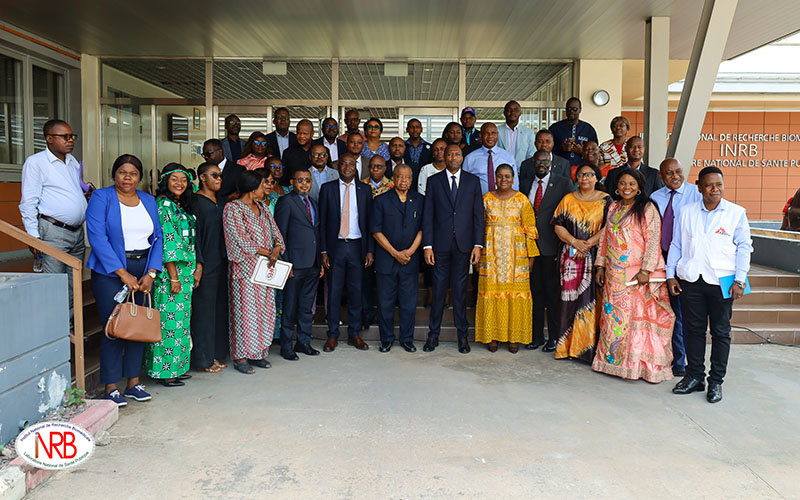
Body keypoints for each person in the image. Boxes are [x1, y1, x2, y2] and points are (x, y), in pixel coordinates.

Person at [669, 166, 753, 404]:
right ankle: (695, 377)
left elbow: (745, 247)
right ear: (699, 187)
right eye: (709, 185)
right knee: (693, 330)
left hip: (723, 282)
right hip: (691, 279)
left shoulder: (736, 213)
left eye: (719, 185)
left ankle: (716, 381)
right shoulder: (686, 211)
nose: (715, 190)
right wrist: (670, 275)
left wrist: (740, 279)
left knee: (720, 332)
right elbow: (676, 245)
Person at [85, 154, 162, 406]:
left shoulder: (149, 200)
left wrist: (151, 273)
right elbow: (97, 237)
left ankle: (133, 383)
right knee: (114, 327)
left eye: (133, 173)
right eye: (122, 172)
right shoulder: (101, 198)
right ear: (114, 174)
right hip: (111, 271)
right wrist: (123, 273)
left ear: (140, 177)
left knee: (138, 327)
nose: (127, 177)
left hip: (143, 269)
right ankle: (111, 387)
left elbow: (158, 238)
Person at [593, 168, 675, 382]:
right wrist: (600, 266)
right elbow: (605, 238)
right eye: (622, 184)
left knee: (635, 320)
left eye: (631, 184)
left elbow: (653, 239)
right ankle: (612, 363)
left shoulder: (647, 208)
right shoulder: (613, 207)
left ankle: (636, 366)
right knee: (613, 318)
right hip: (613, 276)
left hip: (636, 276)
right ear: (616, 187)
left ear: (639, 187)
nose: (626, 187)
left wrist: (646, 270)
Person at [19, 119, 87, 319]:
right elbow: (28, 202)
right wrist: (33, 237)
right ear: (49, 139)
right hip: (53, 231)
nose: (70, 140)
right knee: (55, 284)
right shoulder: (36, 163)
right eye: (64, 136)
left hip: (76, 232)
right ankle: (55, 331)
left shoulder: (72, 161)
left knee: (73, 284)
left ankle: (70, 328)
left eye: (72, 136)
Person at [422, 144, 484, 354]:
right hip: (439, 245)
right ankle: (433, 336)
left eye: (457, 154)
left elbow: (478, 215)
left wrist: (478, 245)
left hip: (464, 245)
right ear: (444, 157)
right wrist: (427, 246)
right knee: (438, 292)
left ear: (462, 157)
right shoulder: (434, 181)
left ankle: (463, 336)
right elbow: (428, 215)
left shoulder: (473, 181)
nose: (453, 157)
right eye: (449, 154)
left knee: (459, 292)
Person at [223, 170, 285, 374]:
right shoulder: (233, 209)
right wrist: (269, 252)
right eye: (263, 184)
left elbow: (276, 232)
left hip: (266, 268)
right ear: (251, 187)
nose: (266, 187)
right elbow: (240, 240)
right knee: (245, 314)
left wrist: (276, 249)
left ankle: (257, 353)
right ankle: (241, 357)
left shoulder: (262, 207)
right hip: (245, 270)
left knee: (266, 312)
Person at [475, 164, 539, 353]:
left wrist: (531, 257)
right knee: (490, 292)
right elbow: (478, 227)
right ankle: (491, 336)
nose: (504, 180)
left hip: (516, 257)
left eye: (507, 177)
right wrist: (477, 255)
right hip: (490, 255)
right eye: (500, 177)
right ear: (495, 178)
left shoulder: (522, 200)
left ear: (513, 178)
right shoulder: (485, 199)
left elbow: (530, 230)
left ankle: (514, 337)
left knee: (516, 294)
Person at [144, 163, 197, 387]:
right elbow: (167, 243)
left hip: (184, 273)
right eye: (175, 179)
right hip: (170, 274)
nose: (179, 183)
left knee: (181, 324)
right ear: (166, 181)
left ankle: (176, 367)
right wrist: (174, 276)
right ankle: (164, 371)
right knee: (168, 324)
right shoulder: (163, 204)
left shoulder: (178, 205)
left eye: (183, 180)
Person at [650, 158, 703, 376]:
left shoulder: (696, 195)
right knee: (663, 310)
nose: (675, 176)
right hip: (660, 260)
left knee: (682, 313)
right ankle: (663, 356)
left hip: (686, 261)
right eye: (669, 173)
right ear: (661, 176)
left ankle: (681, 362)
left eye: (678, 172)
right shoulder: (655, 197)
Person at [319, 153, 374, 352]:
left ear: (356, 167)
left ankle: (354, 334)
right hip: (335, 246)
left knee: (356, 292)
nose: (348, 167)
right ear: (338, 166)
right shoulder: (327, 189)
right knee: (333, 292)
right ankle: (332, 334)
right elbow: (322, 223)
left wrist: (369, 250)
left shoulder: (365, 190)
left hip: (357, 246)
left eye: (352, 164)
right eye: (344, 164)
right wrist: (324, 250)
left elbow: (369, 223)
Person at [552, 163, 608, 359]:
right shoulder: (568, 199)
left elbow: (610, 227)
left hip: (595, 258)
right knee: (569, 302)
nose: (585, 178)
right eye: (581, 175)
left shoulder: (605, 201)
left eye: (589, 175)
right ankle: (566, 347)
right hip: (571, 259)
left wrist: (589, 244)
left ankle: (587, 350)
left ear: (597, 178)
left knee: (591, 302)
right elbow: (558, 225)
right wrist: (575, 242)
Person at [519, 150, 574, 350]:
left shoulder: (563, 183)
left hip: (553, 247)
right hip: (529, 249)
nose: (541, 164)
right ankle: (536, 337)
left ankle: (553, 337)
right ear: (533, 163)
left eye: (545, 161)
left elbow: (568, 215)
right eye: (538, 161)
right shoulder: (524, 184)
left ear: (551, 163)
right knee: (534, 293)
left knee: (552, 295)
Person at [371, 165, 424, 353]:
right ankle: (386, 339)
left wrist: (408, 252)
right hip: (387, 260)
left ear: (412, 179)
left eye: (407, 177)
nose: (404, 180)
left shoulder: (419, 200)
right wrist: (395, 253)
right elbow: (376, 231)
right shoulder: (381, 200)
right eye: (400, 177)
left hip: (410, 260)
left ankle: (407, 339)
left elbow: (422, 230)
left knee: (408, 303)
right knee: (385, 302)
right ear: (393, 178)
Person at [274, 169, 323, 361]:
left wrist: (319, 262)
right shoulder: (286, 202)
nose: (304, 184)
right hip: (294, 264)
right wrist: (286, 264)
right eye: (300, 180)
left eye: (308, 181)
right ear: (293, 182)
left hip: (312, 264)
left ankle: (303, 342)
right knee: (290, 306)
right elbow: (280, 235)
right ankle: (286, 346)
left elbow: (316, 234)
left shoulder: (314, 203)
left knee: (305, 307)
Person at [191, 162, 228, 373]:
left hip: (222, 262)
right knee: (204, 313)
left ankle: (217, 353)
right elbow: (194, 237)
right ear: (202, 177)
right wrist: (198, 264)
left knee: (219, 311)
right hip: (205, 264)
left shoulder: (220, 202)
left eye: (220, 176)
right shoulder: (195, 202)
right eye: (214, 175)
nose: (219, 179)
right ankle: (203, 359)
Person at [463, 122, 518, 194]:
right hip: (478, 201)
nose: (490, 136)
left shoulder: (508, 157)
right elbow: (464, 184)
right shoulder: (470, 158)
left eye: (493, 133)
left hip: (504, 201)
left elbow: (515, 183)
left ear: (497, 135)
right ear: (480, 135)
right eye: (486, 133)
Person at [549, 97, 599, 166]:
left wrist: (583, 152)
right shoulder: (555, 128)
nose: (571, 111)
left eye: (575, 109)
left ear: (580, 110)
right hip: (559, 168)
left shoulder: (588, 129)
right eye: (569, 109)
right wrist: (561, 148)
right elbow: (547, 150)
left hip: (582, 168)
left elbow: (595, 152)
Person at [497, 100, 536, 169]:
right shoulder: (497, 131)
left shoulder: (528, 132)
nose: (512, 112)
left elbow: (531, 154)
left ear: (520, 113)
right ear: (504, 113)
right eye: (509, 110)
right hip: (501, 172)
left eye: (516, 110)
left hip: (522, 173)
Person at [203, 138, 243, 204]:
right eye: (204, 155)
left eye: (208, 154)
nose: (206, 157)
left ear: (220, 151)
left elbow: (239, 194)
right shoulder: (204, 169)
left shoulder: (238, 170)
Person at [282, 119, 315, 185]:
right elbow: (283, 177)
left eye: (305, 133)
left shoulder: (320, 150)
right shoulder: (288, 153)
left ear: (312, 134)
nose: (301, 136)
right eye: (299, 133)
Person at [404, 118, 432, 187]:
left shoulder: (430, 147)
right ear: (407, 129)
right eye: (412, 127)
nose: (415, 130)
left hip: (425, 181)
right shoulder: (403, 146)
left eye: (417, 127)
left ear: (421, 129)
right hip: (406, 181)